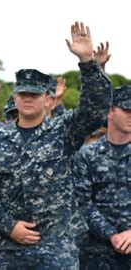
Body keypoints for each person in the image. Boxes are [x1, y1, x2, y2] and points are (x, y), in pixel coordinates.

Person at [0, 21, 112, 268]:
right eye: (23, 93)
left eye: (34, 94)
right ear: (14, 97)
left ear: (47, 99)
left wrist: (88, 63)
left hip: (57, 249)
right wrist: (8, 226)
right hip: (11, 249)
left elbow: (96, 109)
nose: (28, 98)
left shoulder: (63, 131)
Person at [73, 85, 131, 269]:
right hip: (97, 252)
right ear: (110, 112)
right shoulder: (87, 154)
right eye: (127, 109)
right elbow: (82, 203)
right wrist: (111, 235)